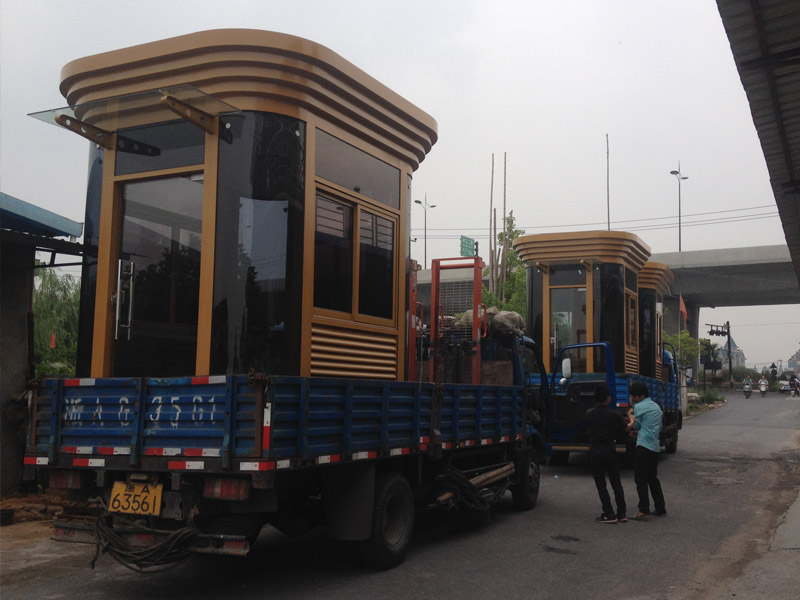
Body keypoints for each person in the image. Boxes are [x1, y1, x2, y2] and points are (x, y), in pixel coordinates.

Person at [586, 385, 627, 523]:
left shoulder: (589, 413)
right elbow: (625, 429)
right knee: (616, 483)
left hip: (595, 452)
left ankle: (609, 513)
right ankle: (622, 513)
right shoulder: (614, 414)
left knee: (601, 484)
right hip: (610, 451)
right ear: (608, 398)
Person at [626, 381, 666, 520]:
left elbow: (635, 425)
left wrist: (630, 414)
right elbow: (655, 428)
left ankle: (643, 509)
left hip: (643, 447)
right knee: (652, 478)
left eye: (635, 396)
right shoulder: (656, 407)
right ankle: (660, 508)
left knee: (640, 479)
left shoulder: (639, 407)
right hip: (654, 447)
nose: (634, 399)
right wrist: (639, 433)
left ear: (641, 395)